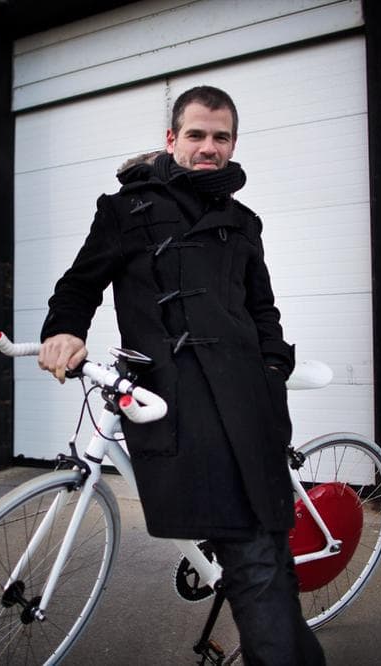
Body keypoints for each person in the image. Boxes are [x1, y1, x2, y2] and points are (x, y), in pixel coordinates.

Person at [37, 86, 325, 665]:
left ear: (233, 144)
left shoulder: (243, 222)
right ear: (172, 139)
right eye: (196, 134)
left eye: (221, 137)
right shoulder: (125, 210)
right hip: (178, 404)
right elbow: (79, 285)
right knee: (254, 555)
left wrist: (272, 370)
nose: (208, 147)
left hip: (250, 401)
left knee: (262, 551)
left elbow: (262, 310)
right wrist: (64, 330)